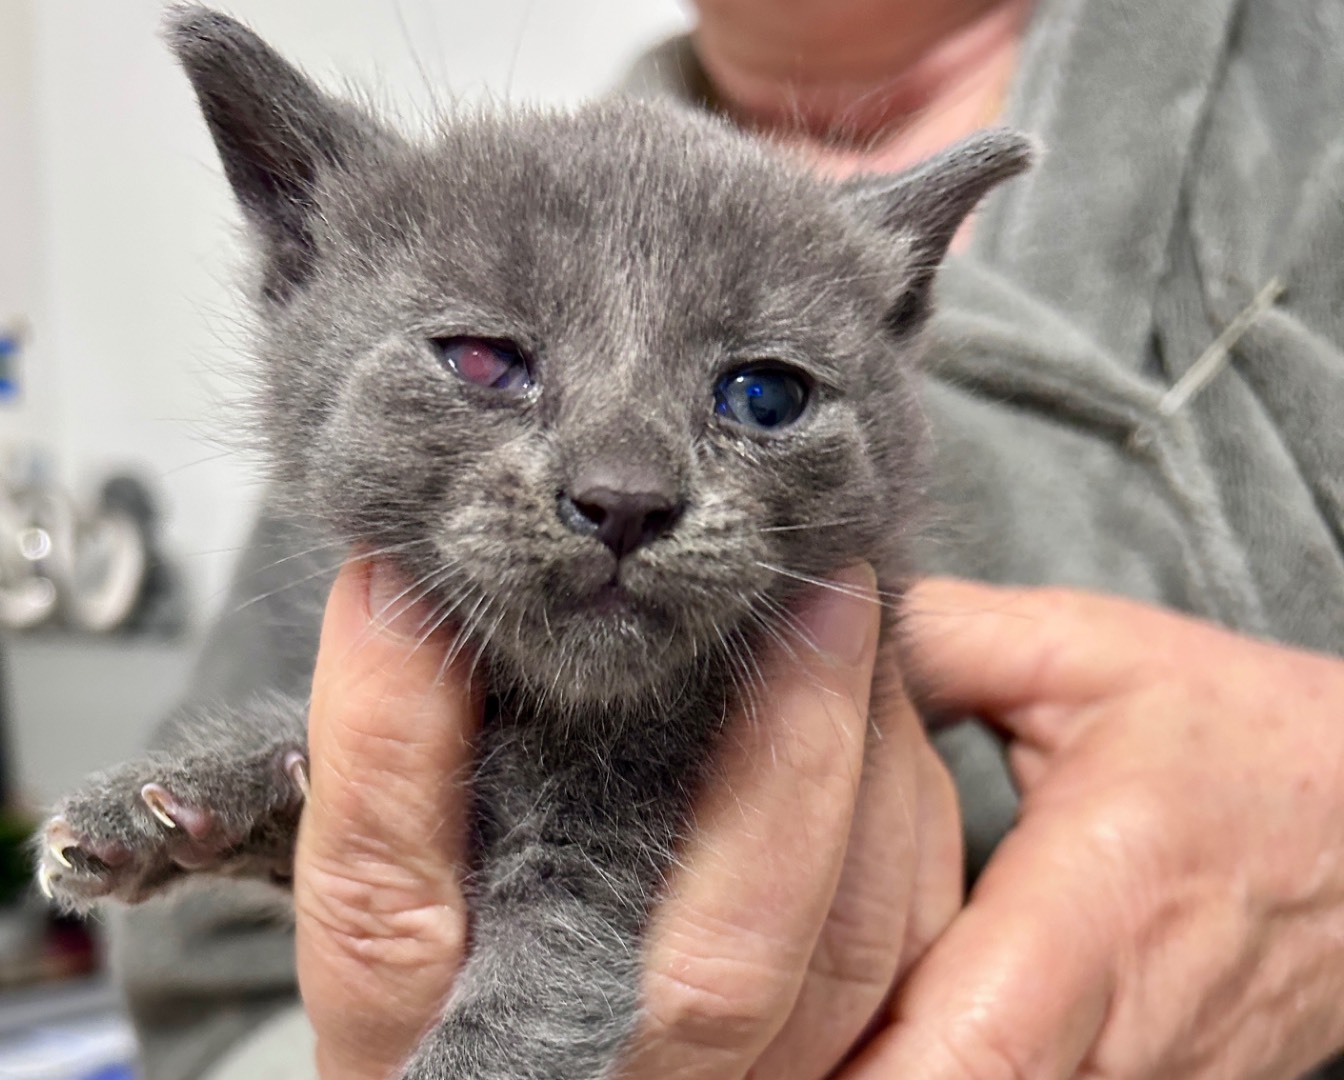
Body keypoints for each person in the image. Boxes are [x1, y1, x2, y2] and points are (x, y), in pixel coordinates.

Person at [111, 1, 1344, 1078]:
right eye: (489, 365)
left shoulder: (1310, 112)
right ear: (301, 278)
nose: (628, 484)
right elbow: (215, 992)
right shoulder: (417, 286)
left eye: (760, 396)